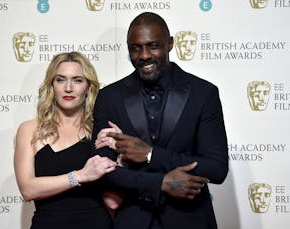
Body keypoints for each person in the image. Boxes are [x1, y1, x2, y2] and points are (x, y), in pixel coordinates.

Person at [93, 12, 229, 229]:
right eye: (135, 48)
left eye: (153, 45)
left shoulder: (203, 93)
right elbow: (102, 171)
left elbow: (216, 168)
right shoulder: (110, 97)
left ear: (170, 44)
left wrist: (150, 155)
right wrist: (161, 184)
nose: (144, 55)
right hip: (132, 220)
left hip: (191, 220)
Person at [14, 51, 117, 229]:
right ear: (51, 85)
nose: (68, 88)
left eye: (77, 80)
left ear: (88, 87)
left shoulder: (99, 131)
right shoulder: (29, 130)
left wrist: (122, 157)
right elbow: (27, 189)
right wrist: (80, 176)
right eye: (60, 79)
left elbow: (113, 203)